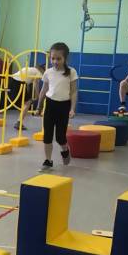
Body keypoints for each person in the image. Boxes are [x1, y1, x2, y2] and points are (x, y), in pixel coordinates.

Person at [36, 42, 77, 170]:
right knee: (47, 135)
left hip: (63, 106)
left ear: (65, 58)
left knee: (60, 137)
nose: (55, 61)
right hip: (50, 104)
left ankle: (65, 150)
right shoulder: (48, 72)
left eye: (58, 59)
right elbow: (43, 90)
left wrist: (72, 109)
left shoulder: (71, 72)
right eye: (52, 58)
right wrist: (39, 107)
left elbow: (74, 92)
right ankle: (48, 160)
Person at [9, 64, 45, 130]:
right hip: (20, 82)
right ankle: (19, 122)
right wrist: (38, 96)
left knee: (26, 102)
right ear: (42, 70)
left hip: (13, 80)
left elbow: (28, 84)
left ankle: (19, 121)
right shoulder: (39, 72)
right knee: (27, 103)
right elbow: (36, 84)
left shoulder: (31, 69)